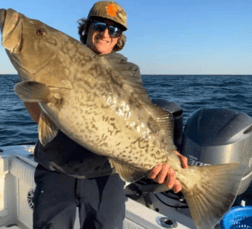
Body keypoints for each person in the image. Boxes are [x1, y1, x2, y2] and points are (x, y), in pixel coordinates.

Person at [24, 1, 188, 229]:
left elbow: (142, 119)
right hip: (55, 170)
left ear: (119, 37)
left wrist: (168, 154)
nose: (105, 33)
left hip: (105, 175)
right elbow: (40, 117)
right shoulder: (58, 60)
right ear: (87, 28)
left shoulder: (129, 71)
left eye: (114, 30)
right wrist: (31, 84)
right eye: (99, 25)